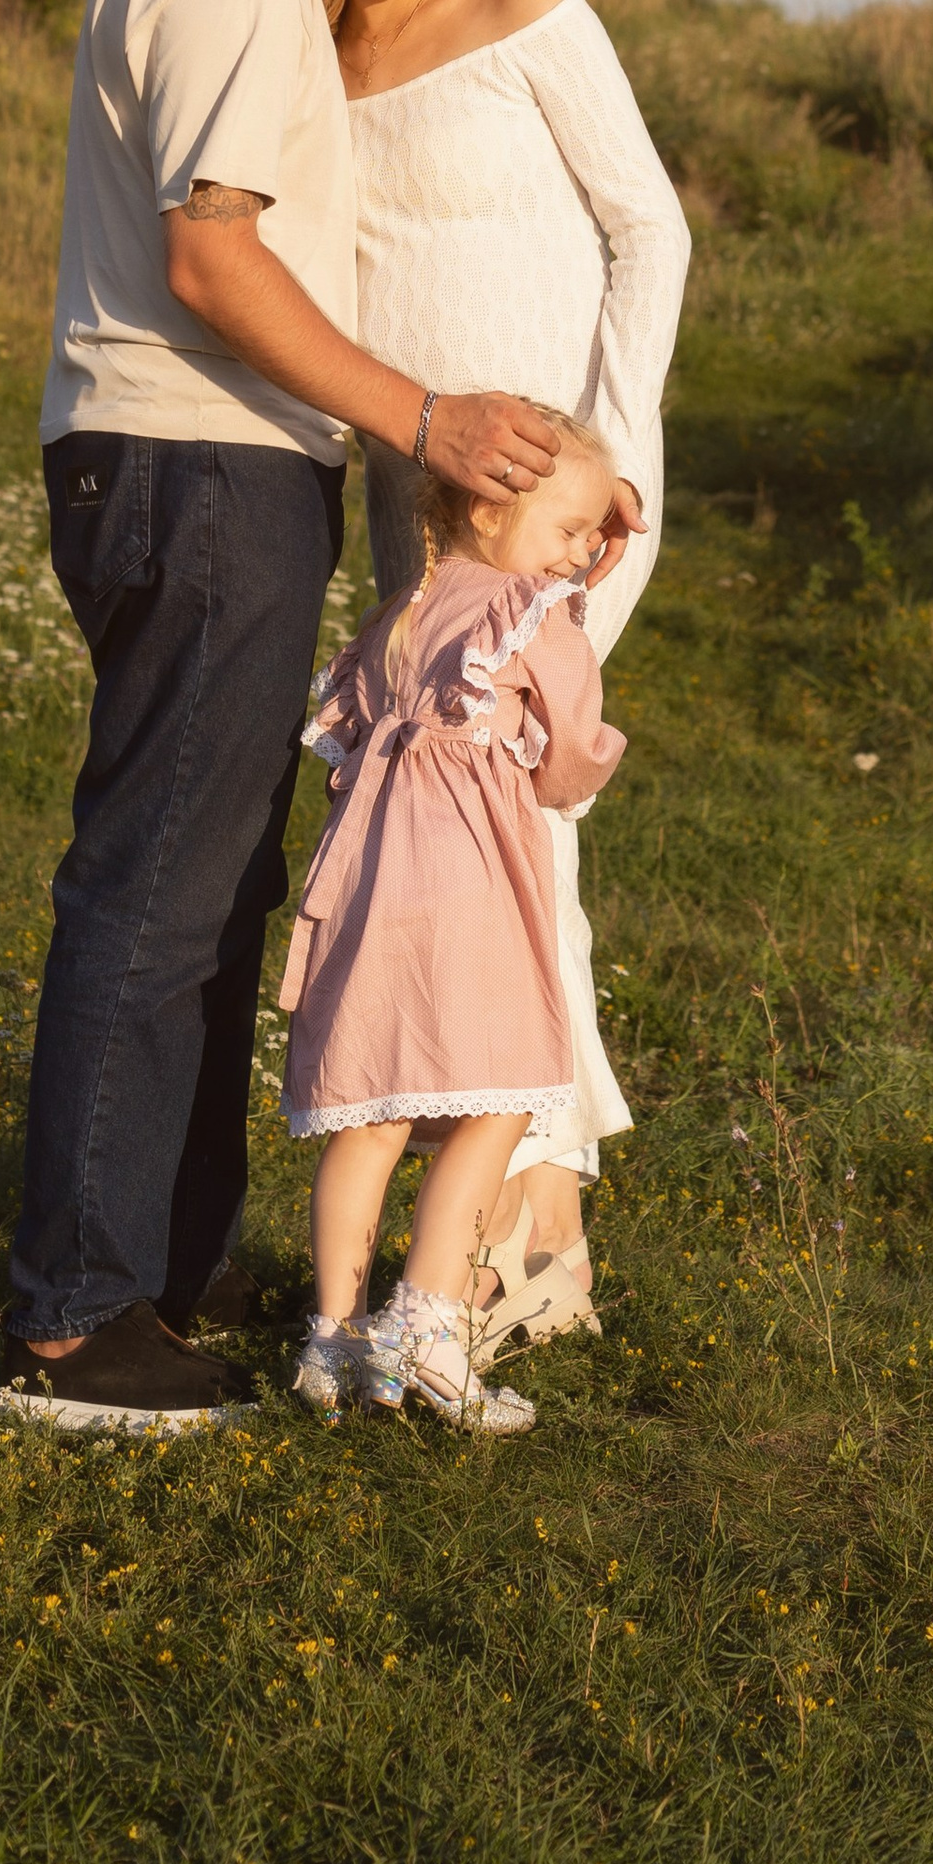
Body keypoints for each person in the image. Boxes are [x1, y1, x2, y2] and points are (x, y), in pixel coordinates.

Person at [0, 0, 641, 1435]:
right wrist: (428, 418)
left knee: (212, 883)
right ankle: (78, 1318)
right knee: (159, 886)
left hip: (222, 464)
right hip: (193, 453)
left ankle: (148, 1282)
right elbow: (214, 261)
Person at [295, 0, 689, 1348]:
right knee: (434, 837)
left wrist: (607, 463)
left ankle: (526, 1227)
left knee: (526, 822)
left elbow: (649, 230)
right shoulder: (307, 68)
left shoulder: (531, 14)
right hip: (421, 504)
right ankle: (487, 1232)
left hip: (564, 508)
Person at [279, 414, 628, 1433]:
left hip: (372, 884)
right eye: (570, 530)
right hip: (469, 885)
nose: (578, 554)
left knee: (372, 1113)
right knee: (502, 1095)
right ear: (489, 505)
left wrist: (578, 530)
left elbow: (343, 745)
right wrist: (555, 774)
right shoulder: (534, 618)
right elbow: (572, 755)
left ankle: (334, 1336)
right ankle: (429, 1324)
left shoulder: (405, 611)